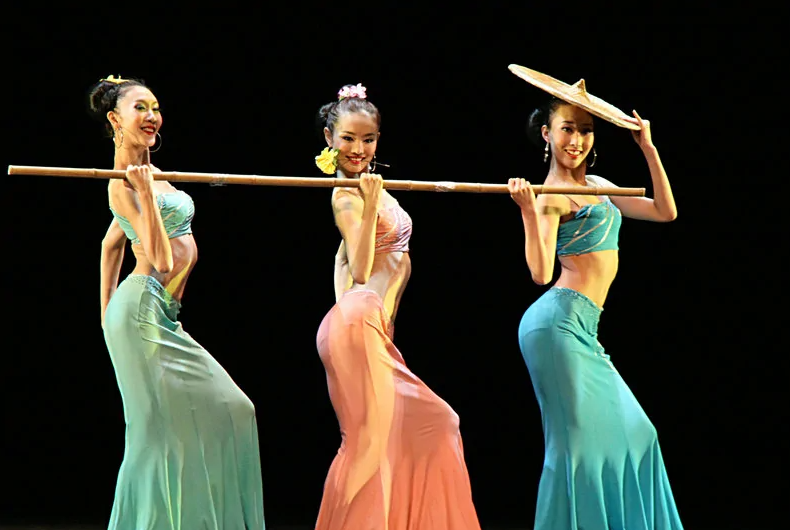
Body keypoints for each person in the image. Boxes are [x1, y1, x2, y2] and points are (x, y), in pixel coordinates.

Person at [92, 74, 265, 530]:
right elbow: (163, 259)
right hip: (142, 311)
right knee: (154, 432)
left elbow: (111, 244)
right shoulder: (122, 185)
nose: (152, 116)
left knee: (230, 411)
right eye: (139, 108)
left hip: (160, 314)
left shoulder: (148, 177)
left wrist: (104, 310)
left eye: (155, 107)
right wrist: (144, 192)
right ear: (115, 120)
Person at [508, 96, 683, 530]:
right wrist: (529, 211)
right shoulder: (550, 196)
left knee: (640, 434)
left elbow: (665, 211)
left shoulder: (599, 185)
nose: (577, 139)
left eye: (585, 130)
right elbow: (540, 272)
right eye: (567, 128)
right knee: (577, 449)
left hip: (583, 328)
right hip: (556, 326)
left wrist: (648, 148)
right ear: (547, 134)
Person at [313, 83, 481, 529]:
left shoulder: (374, 191)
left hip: (372, 327)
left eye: (368, 139)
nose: (358, 149)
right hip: (355, 321)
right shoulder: (346, 195)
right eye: (348, 138)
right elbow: (362, 268)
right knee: (368, 444)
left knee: (425, 428)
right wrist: (368, 202)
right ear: (329, 138)